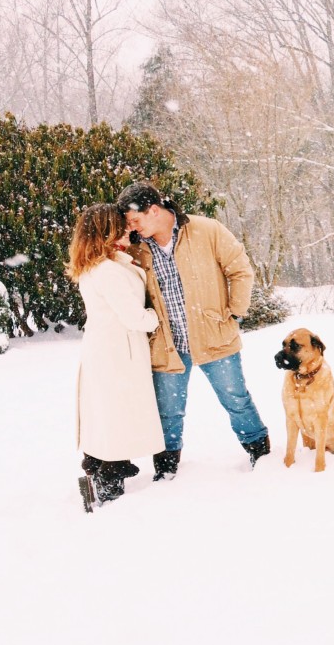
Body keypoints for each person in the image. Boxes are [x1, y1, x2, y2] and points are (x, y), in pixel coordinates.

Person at [116, 182, 270, 479]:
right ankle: (166, 469)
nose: (131, 227)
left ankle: (259, 452)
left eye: (135, 220)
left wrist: (235, 312)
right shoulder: (137, 247)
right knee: (168, 410)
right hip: (166, 342)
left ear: (154, 210)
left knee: (236, 399)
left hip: (213, 333)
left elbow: (240, 269)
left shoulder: (206, 230)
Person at [67, 204, 165, 506]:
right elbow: (134, 316)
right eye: (122, 226)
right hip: (117, 353)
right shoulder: (107, 270)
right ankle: (108, 489)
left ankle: (98, 475)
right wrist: (158, 316)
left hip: (109, 349)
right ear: (108, 231)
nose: (129, 229)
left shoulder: (102, 264)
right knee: (116, 418)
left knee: (106, 416)